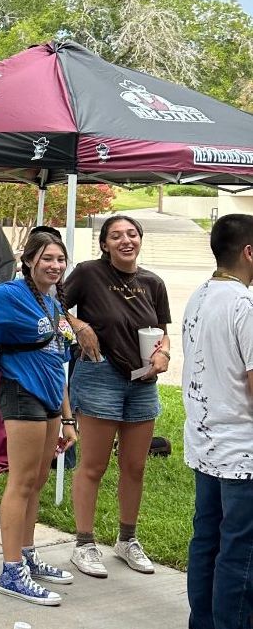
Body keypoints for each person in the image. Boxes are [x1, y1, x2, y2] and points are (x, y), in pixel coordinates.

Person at [0, 232, 78, 607]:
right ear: (30, 260)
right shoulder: (11, 293)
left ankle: (26, 553)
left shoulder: (53, 302)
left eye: (60, 259)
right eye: (47, 259)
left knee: (36, 481)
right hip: (22, 392)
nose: (55, 266)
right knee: (21, 482)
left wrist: (68, 418)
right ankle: (11, 569)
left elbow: (58, 358)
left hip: (52, 398)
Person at [63, 215, 170, 578]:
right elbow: (53, 309)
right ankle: (84, 543)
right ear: (104, 244)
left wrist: (163, 354)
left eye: (132, 234)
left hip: (142, 381)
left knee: (135, 466)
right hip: (99, 374)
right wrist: (80, 326)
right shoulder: (89, 273)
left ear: (140, 239)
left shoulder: (153, 282)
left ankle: (127, 540)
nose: (126, 240)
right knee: (93, 465)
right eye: (116, 236)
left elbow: (163, 333)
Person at [181, 214, 253, 629]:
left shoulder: (201, 294)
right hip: (241, 450)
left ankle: (203, 622)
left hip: (207, 443)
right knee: (240, 553)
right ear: (248, 252)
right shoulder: (244, 304)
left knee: (207, 539)